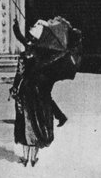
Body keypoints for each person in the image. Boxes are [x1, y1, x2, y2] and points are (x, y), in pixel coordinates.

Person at [10, 20, 68, 167]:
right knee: (38, 121)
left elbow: (20, 73)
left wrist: (15, 87)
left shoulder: (25, 55)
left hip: (27, 89)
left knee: (25, 121)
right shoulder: (44, 53)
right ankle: (33, 157)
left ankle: (25, 157)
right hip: (39, 88)